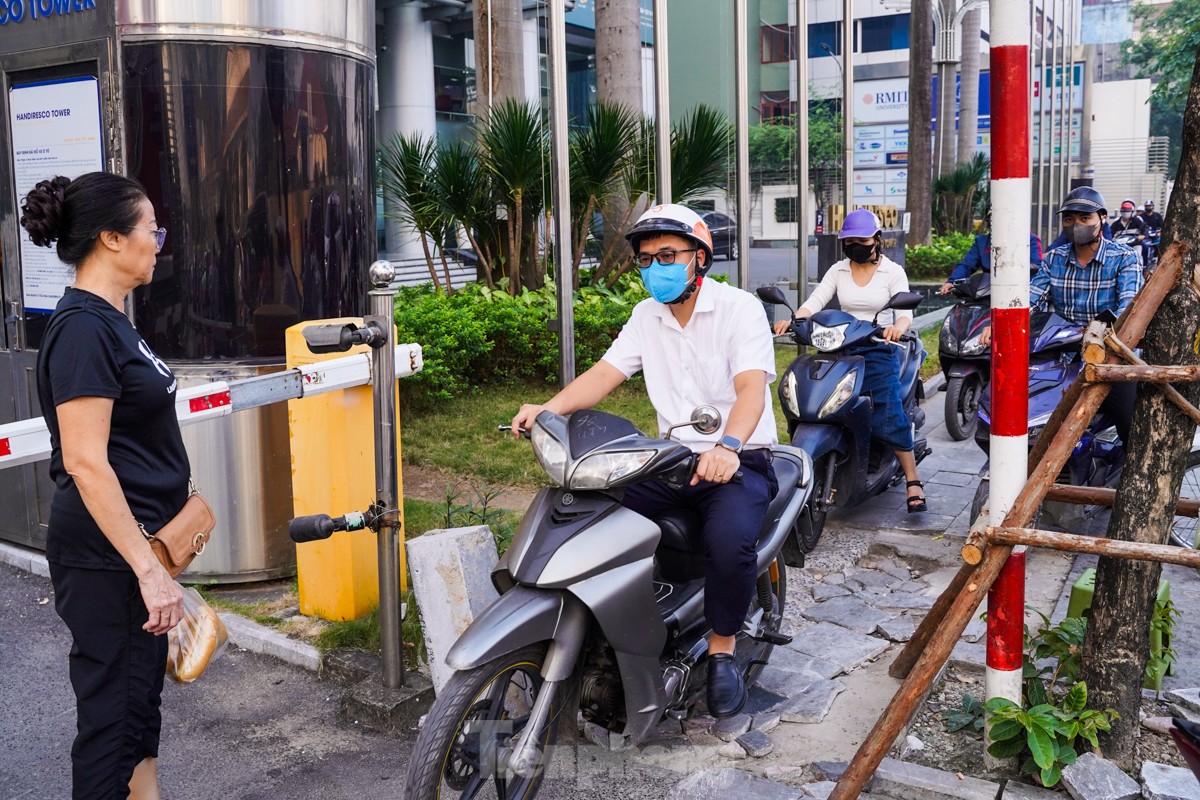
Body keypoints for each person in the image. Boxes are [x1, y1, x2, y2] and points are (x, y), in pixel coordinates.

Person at [511, 204, 778, 719]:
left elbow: (750, 391)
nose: (657, 266)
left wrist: (729, 447)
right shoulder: (645, 316)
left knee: (730, 542)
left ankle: (722, 650)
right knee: (585, 508)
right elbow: (605, 374)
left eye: (668, 255)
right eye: (647, 258)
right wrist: (547, 409)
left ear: (700, 258)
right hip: (671, 459)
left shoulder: (739, 309)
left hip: (736, 459)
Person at [21, 172, 188, 799]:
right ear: (111, 238)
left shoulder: (111, 320)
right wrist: (148, 571)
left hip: (131, 552)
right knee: (111, 728)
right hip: (109, 561)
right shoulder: (84, 330)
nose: (157, 242)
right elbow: (88, 463)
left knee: (138, 718)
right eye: (151, 230)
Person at [772, 208, 927, 513]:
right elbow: (816, 301)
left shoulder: (892, 272)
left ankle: (913, 479)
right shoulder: (839, 270)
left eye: (861, 239)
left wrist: (898, 328)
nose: (855, 245)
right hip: (837, 347)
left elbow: (905, 313)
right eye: (849, 240)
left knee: (887, 414)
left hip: (877, 347)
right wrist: (793, 320)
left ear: (877, 239)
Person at [985, 187, 1142, 441]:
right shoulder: (1054, 258)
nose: (1076, 224)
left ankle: (1129, 474)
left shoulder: (1124, 258)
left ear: (1102, 218)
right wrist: (1000, 324)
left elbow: (1128, 307)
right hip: (1061, 354)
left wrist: (1107, 334)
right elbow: (1031, 297)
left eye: (1084, 218)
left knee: (1130, 423)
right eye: (1069, 219)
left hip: (1111, 356)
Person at [938, 212, 1044, 295]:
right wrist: (952, 281)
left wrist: (1015, 270)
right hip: (987, 293)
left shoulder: (1029, 240)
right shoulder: (981, 241)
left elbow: (1037, 266)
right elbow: (967, 265)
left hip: (1020, 292)